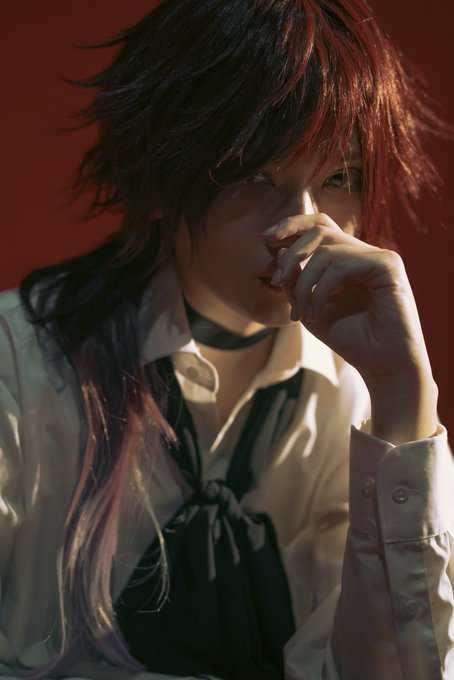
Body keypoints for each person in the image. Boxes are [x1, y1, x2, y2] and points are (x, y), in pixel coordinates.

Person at [0, 0, 453, 678]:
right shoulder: (22, 362)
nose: (301, 227)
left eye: (339, 178)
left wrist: (404, 399)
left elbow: (401, 669)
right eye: (251, 175)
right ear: (156, 177)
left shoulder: (347, 396)